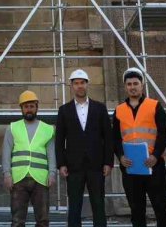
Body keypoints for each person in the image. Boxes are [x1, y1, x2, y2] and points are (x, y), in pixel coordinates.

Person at [112, 67, 166, 227]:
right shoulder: (119, 110)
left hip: (153, 165)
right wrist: (121, 157)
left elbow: (164, 133)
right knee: (136, 210)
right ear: (125, 87)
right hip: (131, 167)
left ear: (142, 85)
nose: (132, 87)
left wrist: (155, 155)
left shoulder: (154, 106)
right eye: (129, 84)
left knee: (160, 207)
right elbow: (116, 138)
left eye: (135, 83)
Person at [55, 69, 113, 227]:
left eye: (82, 83)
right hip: (74, 166)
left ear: (87, 85)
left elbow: (108, 137)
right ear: (71, 86)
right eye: (76, 83)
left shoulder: (100, 108)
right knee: (74, 205)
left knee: (98, 204)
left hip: (96, 165)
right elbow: (59, 140)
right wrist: (61, 164)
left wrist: (108, 162)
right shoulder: (64, 110)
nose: (79, 86)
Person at [3, 90, 56, 227]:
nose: (29, 109)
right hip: (18, 178)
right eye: (26, 106)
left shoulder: (48, 129)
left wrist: (52, 173)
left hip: (41, 178)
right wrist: (7, 174)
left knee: (43, 220)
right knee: (17, 220)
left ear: (37, 108)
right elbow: (6, 153)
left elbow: (51, 154)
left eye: (32, 106)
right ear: (21, 108)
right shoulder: (12, 128)